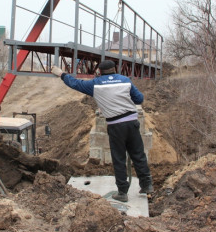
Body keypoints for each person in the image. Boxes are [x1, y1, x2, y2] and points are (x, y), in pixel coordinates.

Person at [51, 60, 153, 202]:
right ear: (115, 69)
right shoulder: (125, 80)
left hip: (116, 126)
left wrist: (61, 74)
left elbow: (75, 83)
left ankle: (123, 193)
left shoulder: (95, 84)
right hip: (132, 123)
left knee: (119, 159)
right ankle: (147, 185)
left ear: (100, 71)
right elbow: (139, 99)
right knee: (138, 155)